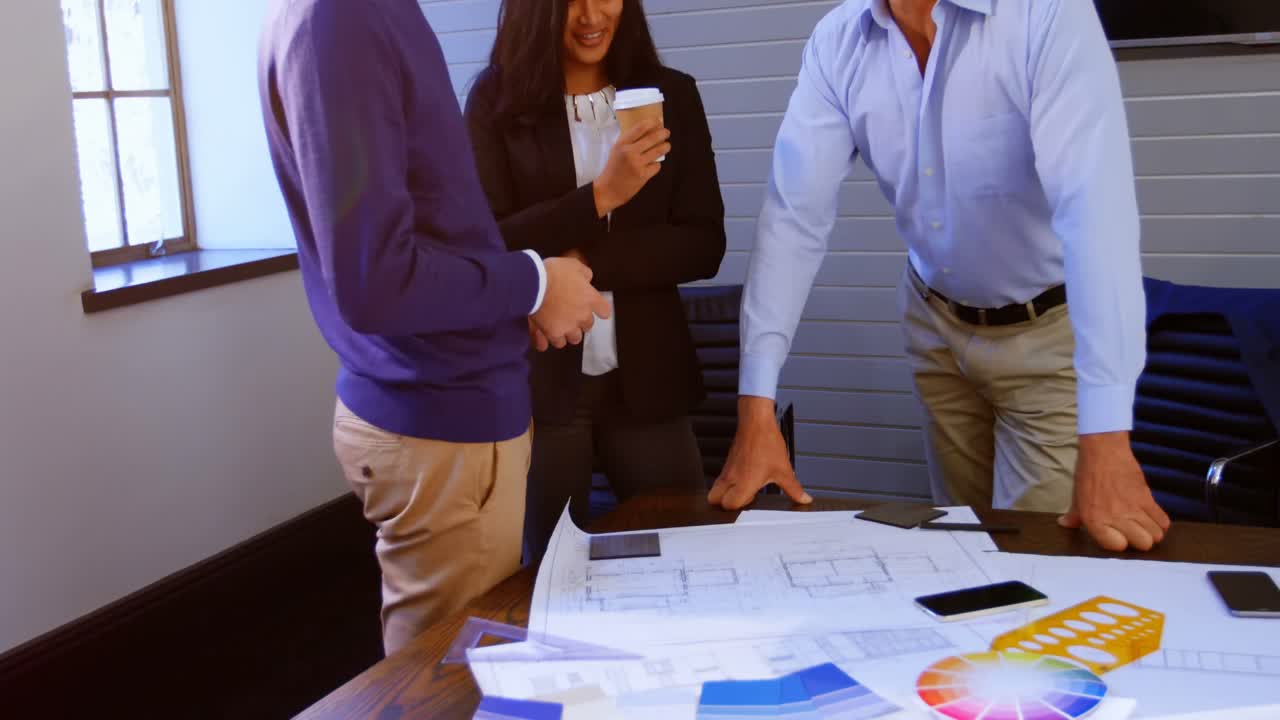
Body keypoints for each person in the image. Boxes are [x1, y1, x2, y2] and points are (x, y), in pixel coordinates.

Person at [711, 0, 1173, 553]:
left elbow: (1094, 215)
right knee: (961, 550)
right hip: (935, 328)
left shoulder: (1045, 13)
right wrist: (755, 408)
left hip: (1048, 336)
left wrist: (1107, 437)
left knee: (1036, 563)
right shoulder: (838, 41)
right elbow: (793, 214)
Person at [258, 0, 610, 655]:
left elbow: (430, 232)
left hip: (447, 407)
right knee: (451, 685)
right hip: (440, 420)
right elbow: (376, 281)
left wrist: (514, 299)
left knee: (461, 671)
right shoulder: (343, 18)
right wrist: (533, 283)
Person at [465, 0, 727, 562]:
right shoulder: (495, 101)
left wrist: (579, 266)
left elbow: (705, 244)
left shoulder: (670, 95)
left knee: (689, 555)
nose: (590, 15)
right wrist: (601, 196)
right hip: (543, 386)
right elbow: (487, 245)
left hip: (649, 381)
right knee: (549, 571)